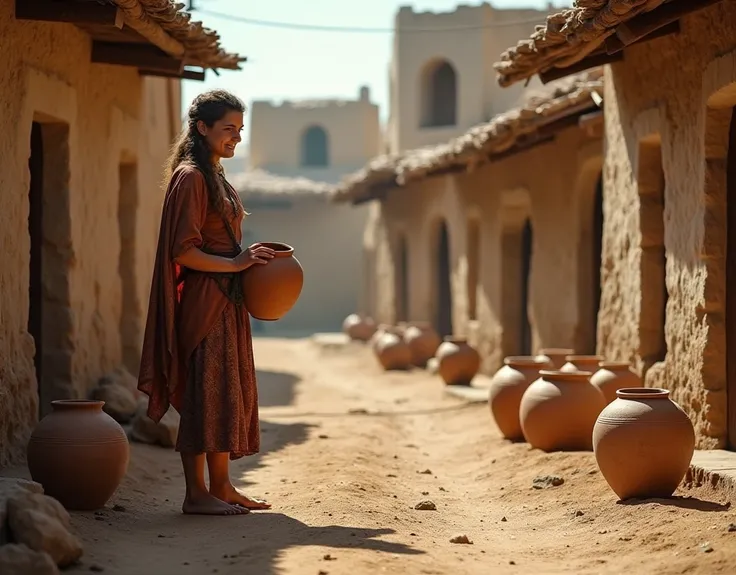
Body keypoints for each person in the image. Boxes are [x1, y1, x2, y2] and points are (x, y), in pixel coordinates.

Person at [138, 90, 275, 516]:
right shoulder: (192, 176)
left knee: (224, 393)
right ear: (202, 128)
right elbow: (183, 250)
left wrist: (244, 261)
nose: (236, 137)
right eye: (227, 129)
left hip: (225, 300)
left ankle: (222, 487)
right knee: (204, 394)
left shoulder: (213, 174)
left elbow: (220, 241)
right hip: (205, 304)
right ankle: (196, 494)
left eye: (240, 130)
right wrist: (236, 264)